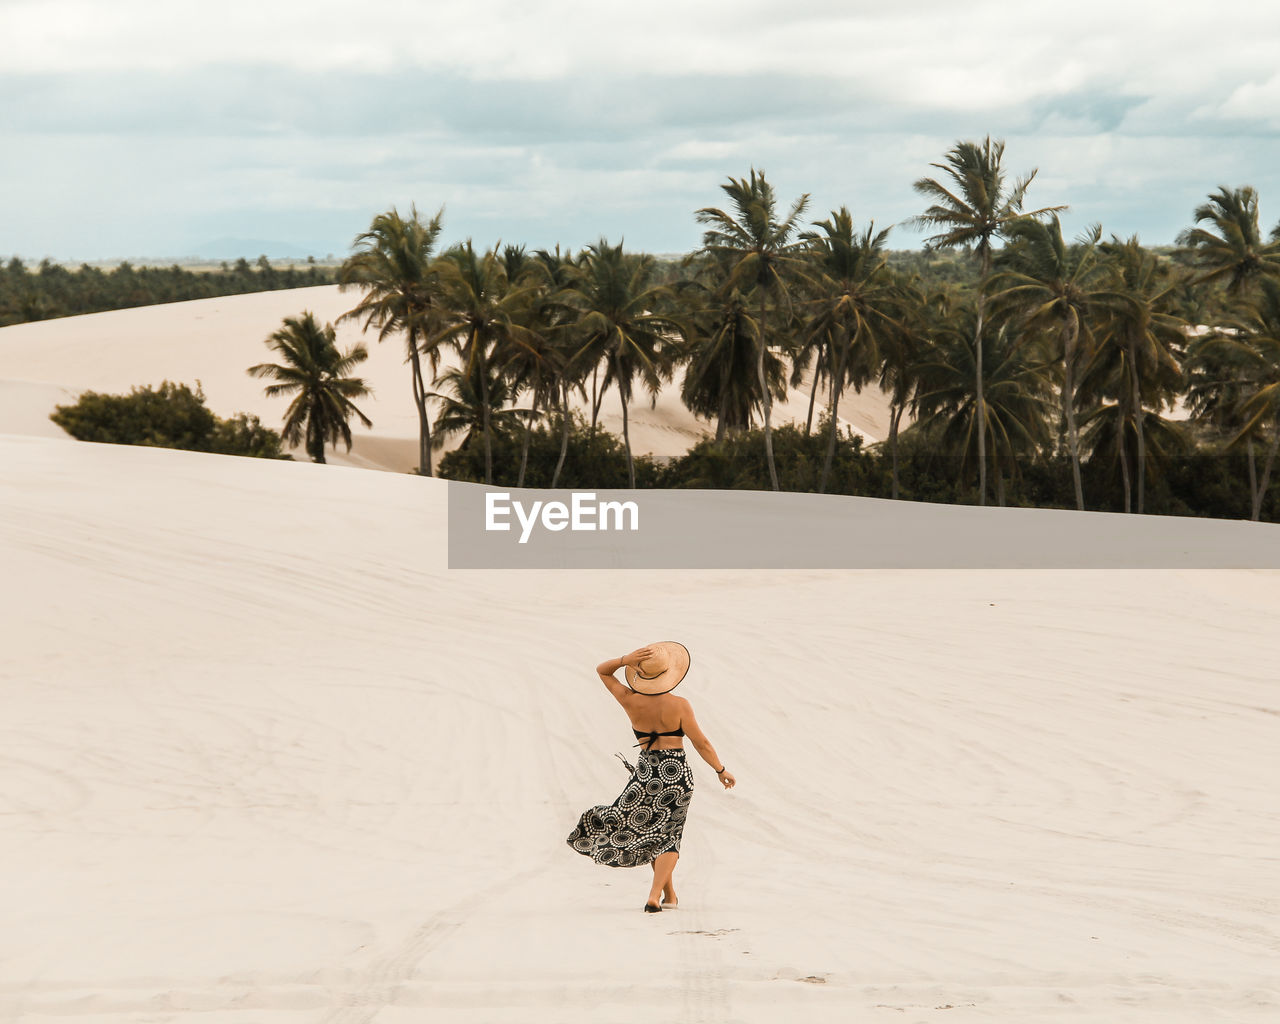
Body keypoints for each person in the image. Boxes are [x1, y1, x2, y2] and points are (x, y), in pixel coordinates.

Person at [566, 642, 736, 913]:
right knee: (669, 834)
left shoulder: (630, 700)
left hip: (646, 772)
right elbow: (700, 742)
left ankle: (670, 894)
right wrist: (720, 770)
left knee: (653, 829)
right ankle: (654, 895)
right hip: (676, 774)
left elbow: (602, 671)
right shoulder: (680, 705)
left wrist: (624, 659)